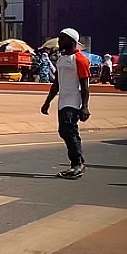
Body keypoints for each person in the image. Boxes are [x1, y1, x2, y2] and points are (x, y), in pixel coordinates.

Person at [41, 28, 90, 180]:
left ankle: (77, 164)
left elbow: (85, 85)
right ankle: (78, 162)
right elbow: (56, 83)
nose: (59, 41)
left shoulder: (80, 59)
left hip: (73, 101)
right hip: (63, 101)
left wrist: (85, 107)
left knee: (69, 130)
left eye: (62, 38)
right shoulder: (61, 59)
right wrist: (47, 102)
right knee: (64, 131)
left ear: (71, 40)